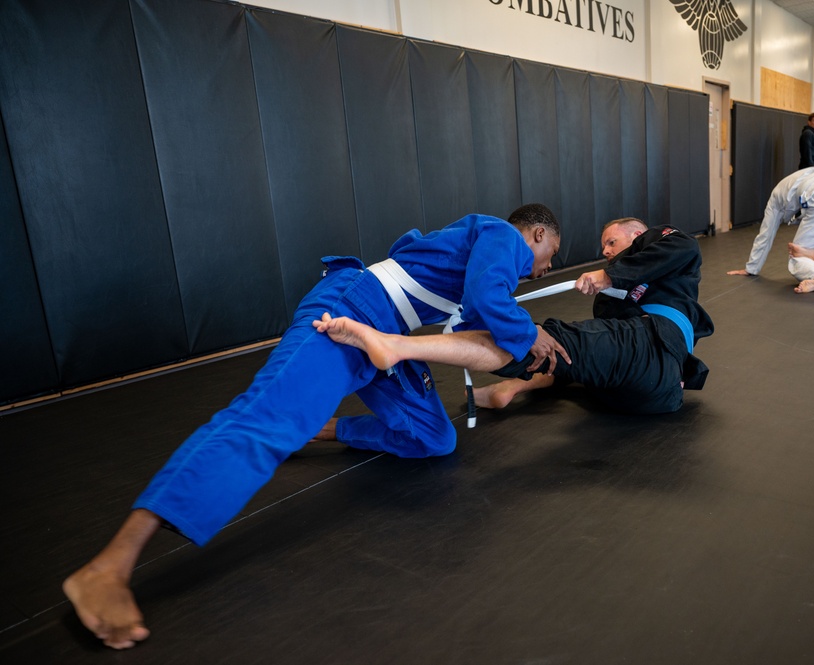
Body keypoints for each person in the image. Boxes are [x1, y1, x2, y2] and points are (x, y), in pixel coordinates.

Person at [62, 204, 567, 650]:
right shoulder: (503, 235)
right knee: (263, 421)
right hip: (348, 310)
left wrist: (521, 350)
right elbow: (492, 303)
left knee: (433, 437)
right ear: (538, 234)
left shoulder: (479, 258)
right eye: (548, 259)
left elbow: (474, 329)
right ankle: (109, 567)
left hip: (383, 332)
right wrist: (530, 335)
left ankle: (322, 430)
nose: (542, 272)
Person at [313, 218, 714, 416]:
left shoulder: (666, 241)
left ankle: (396, 346)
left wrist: (609, 273)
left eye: (612, 241)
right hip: (651, 395)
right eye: (604, 247)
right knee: (566, 353)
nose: (607, 250)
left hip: (656, 346)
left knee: (546, 339)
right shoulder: (615, 300)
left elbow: (682, 250)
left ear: (637, 233)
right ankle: (514, 390)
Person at [727, 167, 814, 293]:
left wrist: (751, 268)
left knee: (797, 252)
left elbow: (766, 234)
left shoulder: (774, 200)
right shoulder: (803, 176)